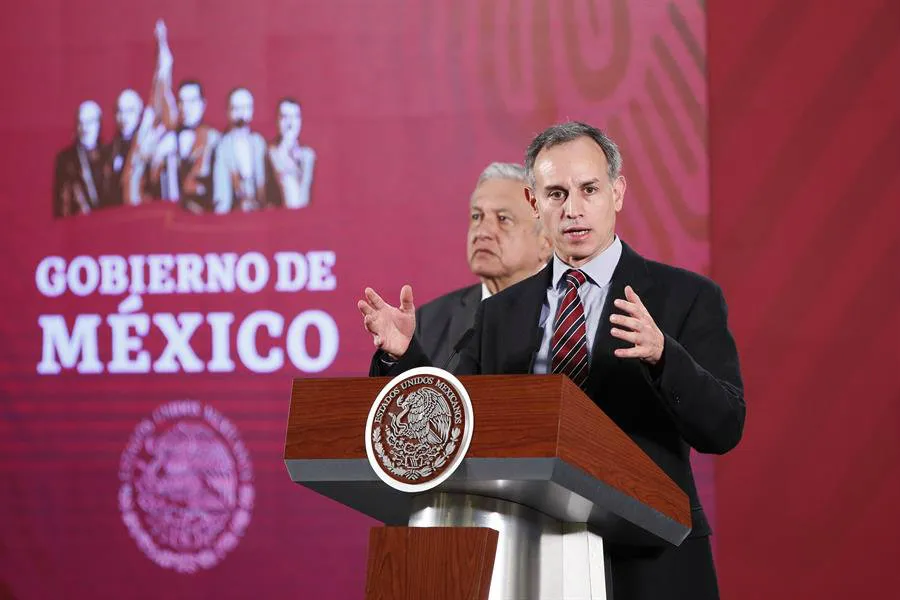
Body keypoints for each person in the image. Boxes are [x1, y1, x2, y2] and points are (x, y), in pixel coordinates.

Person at [358, 121, 745, 600]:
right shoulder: (500, 312)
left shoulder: (685, 296)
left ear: (617, 193)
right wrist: (404, 358)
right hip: (526, 557)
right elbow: (449, 419)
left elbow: (724, 426)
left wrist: (666, 356)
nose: (574, 209)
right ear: (534, 202)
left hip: (649, 559)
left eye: (589, 189)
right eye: (556, 193)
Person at [415, 162, 551, 367]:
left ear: (546, 242)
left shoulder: (572, 318)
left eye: (503, 219)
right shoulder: (429, 322)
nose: (482, 232)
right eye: (477, 216)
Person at [212, 87, 268, 213]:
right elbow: (221, 191)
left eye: (246, 108)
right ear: (228, 112)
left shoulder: (259, 143)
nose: (241, 114)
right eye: (235, 109)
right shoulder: (222, 146)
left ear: (252, 111)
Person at [53, 100, 104, 218]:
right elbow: (62, 204)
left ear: (99, 123)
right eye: (81, 123)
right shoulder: (65, 160)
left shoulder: (108, 153)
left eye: (90, 122)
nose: (85, 128)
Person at [266, 97, 315, 209]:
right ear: (277, 120)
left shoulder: (308, 155)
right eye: (285, 117)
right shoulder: (269, 153)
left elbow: (302, 199)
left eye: (295, 117)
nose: (290, 123)